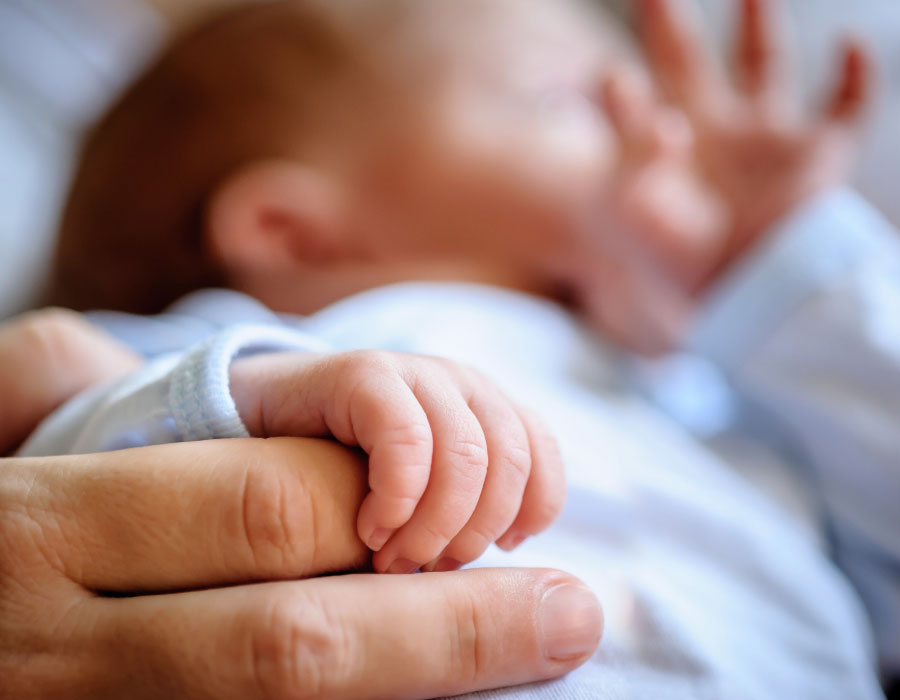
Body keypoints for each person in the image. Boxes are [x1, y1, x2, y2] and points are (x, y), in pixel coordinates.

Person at [9, 0, 899, 698]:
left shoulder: (710, 400)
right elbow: (79, 459)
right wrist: (249, 391)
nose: (658, 139)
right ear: (293, 231)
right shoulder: (298, 353)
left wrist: (782, 272)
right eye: (579, 102)